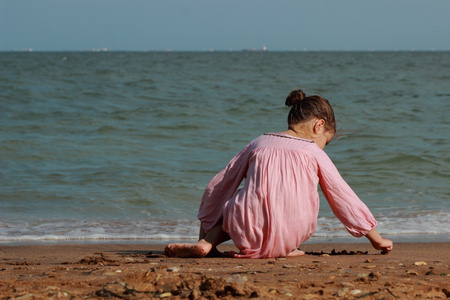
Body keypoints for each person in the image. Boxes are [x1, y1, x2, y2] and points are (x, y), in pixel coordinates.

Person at [165, 89, 393, 258]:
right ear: (319, 126)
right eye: (327, 141)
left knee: (241, 198)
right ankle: (285, 248)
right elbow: (344, 199)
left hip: (246, 231)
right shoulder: (314, 152)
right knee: (296, 199)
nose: (324, 146)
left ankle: (207, 243)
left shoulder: (259, 142)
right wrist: (377, 240)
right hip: (291, 233)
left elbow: (219, 185)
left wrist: (204, 229)